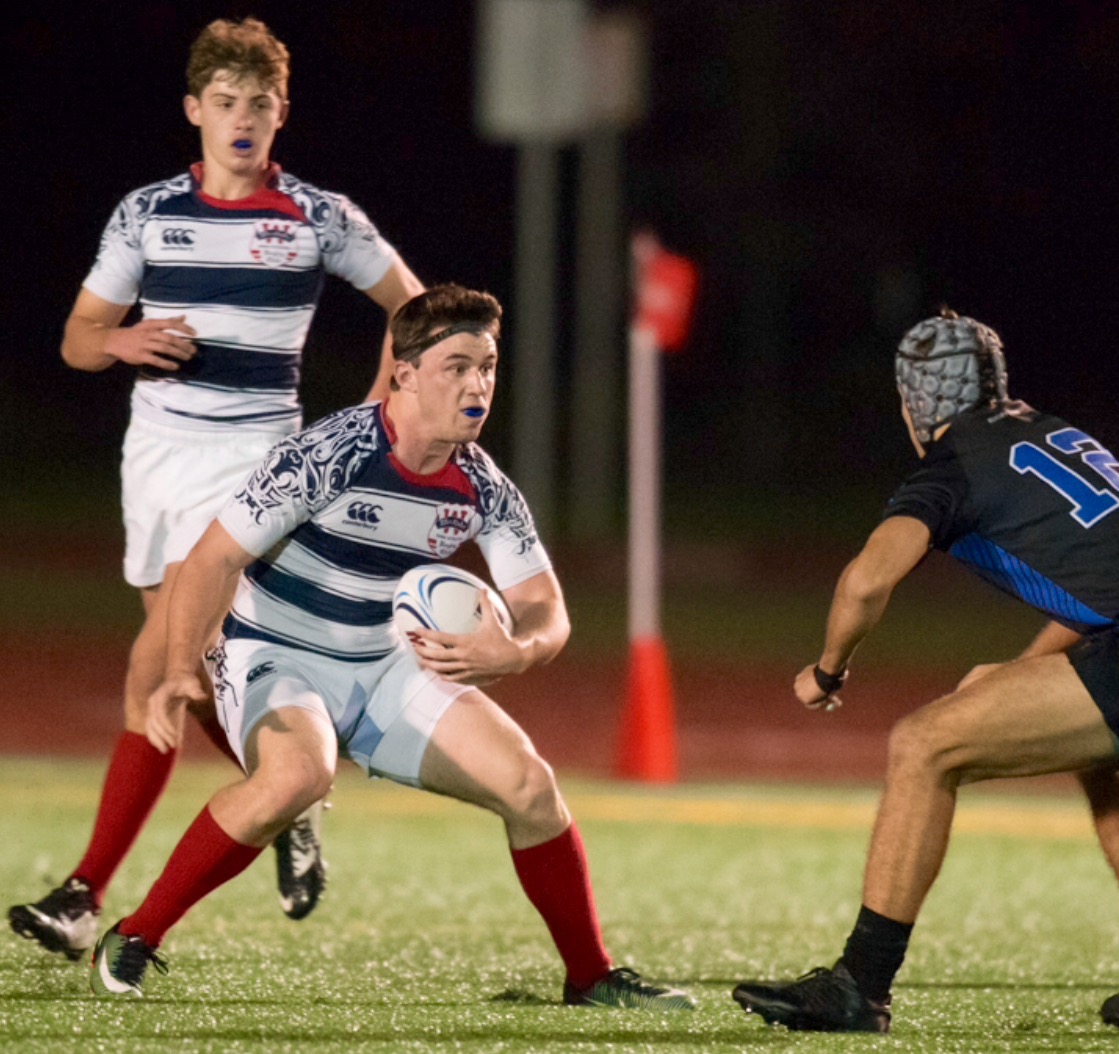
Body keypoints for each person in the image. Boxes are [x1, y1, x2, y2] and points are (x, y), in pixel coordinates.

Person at [87, 284, 697, 1011]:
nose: (478, 385)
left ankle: (589, 977)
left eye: (489, 367)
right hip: (275, 652)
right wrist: (179, 671)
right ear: (404, 372)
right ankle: (137, 933)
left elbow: (544, 606)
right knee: (294, 779)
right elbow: (212, 559)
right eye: (457, 366)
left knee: (532, 789)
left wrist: (519, 652)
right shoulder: (329, 454)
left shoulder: (481, 486)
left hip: (384, 666)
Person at [732, 309, 1119, 1034]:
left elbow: (865, 581)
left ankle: (860, 985)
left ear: (912, 402)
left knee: (921, 745)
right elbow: (1109, 583)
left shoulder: (953, 465)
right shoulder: (1052, 432)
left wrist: (828, 671)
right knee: (1091, 752)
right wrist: (1020, 679)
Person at [9, 16, 425, 961]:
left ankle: (83, 897)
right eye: (226, 103)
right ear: (194, 109)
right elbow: (78, 339)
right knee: (193, 687)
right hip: (154, 462)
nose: (243, 120)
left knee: (154, 667)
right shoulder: (147, 212)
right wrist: (119, 342)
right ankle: (290, 796)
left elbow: (415, 309)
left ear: (283, 115)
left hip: (255, 468)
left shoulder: (318, 215)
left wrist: (372, 412)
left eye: (261, 106)